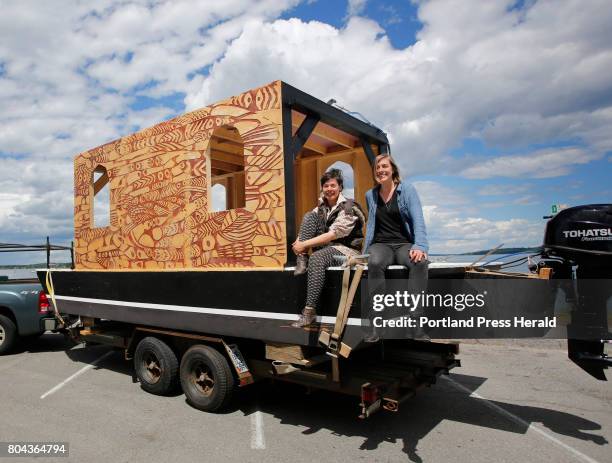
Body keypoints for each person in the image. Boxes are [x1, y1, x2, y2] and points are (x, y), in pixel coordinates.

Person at [364, 154, 429, 340]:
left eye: (384, 166)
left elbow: (418, 219)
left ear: (393, 169)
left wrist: (420, 245)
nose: (380, 170)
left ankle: (416, 323)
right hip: (381, 244)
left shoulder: (407, 190)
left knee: (419, 262)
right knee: (374, 263)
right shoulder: (371, 195)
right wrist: (364, 253)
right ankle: (378, 324)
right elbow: (371, 226)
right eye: (377, 167)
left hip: (403, 243)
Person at [291, 168, 365, 328]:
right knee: (309, 216)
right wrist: (298, 243)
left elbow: (334, 234)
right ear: (322, 188)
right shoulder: (321, 208)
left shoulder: (349, 207)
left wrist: (304, 244)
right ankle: (302, 259)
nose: (329, 189)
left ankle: (309, 312)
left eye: (333, 185)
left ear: (340, 187)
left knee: (317, 258)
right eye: (326, 186)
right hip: (326, 249)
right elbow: (307, 226)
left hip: (346, 251)